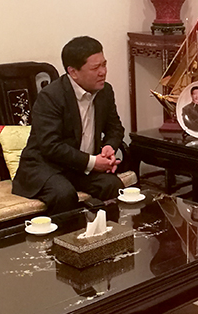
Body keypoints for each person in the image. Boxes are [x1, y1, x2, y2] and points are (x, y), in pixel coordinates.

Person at [12, 36, 125, 213]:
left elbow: (115, 128)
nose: (103, 72)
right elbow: (50, 146)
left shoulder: (105, 91)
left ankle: (110, 231)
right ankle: (70, 232)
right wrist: (93, 162)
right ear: (73, 72)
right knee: (63, 194)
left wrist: (109, 146)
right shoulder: (51, 96)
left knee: (113, 185)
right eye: (95, 68)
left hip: (79, 168)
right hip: (46, 167)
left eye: (104, 65)